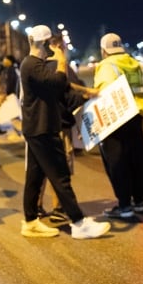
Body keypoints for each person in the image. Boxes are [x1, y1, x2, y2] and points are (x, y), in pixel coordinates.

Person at [20, 24, 111, 239]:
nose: (54, 46)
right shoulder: (32, 64)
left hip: (39, 128)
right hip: (42, 129)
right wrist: (62, 59)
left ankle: (30, 221)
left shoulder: (34, 64)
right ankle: (79, 223)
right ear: (44, 44)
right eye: (50, 43)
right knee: (60, 176)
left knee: (35, 176)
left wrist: (87, 92)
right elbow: (58, 82)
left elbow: (64, 86)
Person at [93, 32, 143, 218]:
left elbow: (103, 94)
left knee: (117, 162)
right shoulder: (135, 65)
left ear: (104, 51)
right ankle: (139, 200)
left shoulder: (107, 66)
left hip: (117, 119)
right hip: (136, 116)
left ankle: (124, 205)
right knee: (136, 160)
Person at [38, 35, 89, 223]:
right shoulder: (59, 66)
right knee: (61, 168)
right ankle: (59, 208)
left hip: (44, 124)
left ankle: (36, 207)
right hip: (60, 124)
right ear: (58, 46)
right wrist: (87, 93)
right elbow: (68, 90)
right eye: (65, 46)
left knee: (44, 167)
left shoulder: (40, 66)